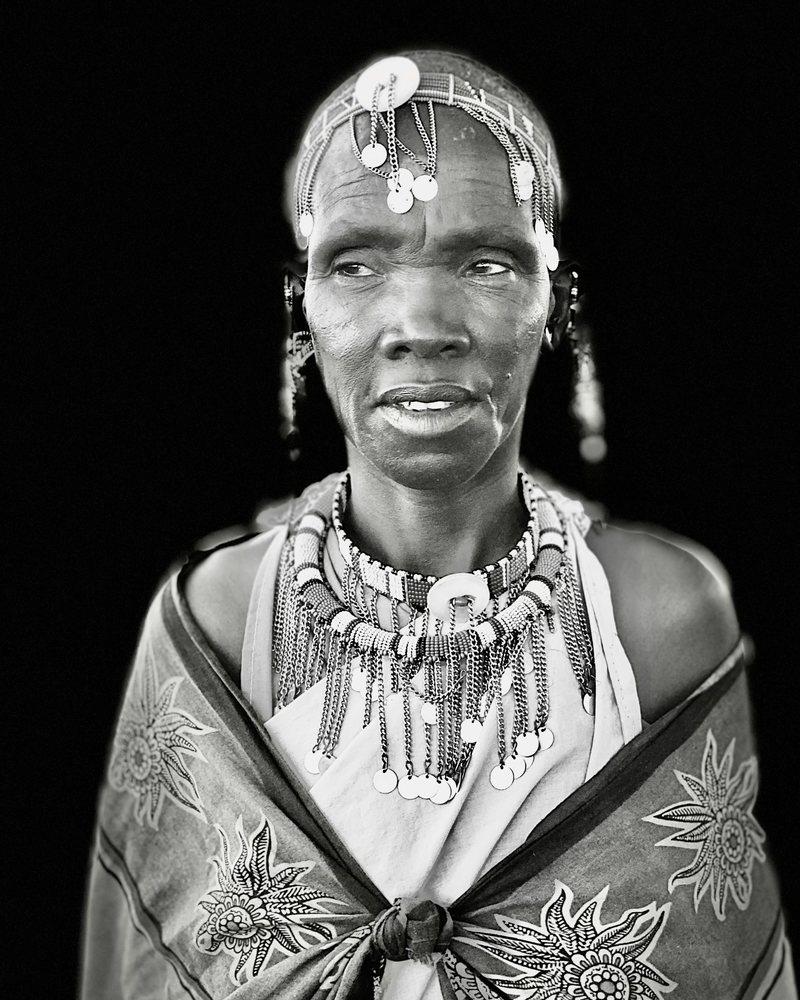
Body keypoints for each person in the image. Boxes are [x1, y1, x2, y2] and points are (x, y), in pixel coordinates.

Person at [80, 50, 796, 998]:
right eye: (356, 262)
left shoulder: (658, 615)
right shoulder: (219, 620)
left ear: (558, 303)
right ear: (303, 308)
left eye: (488, 261)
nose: (420, 320)